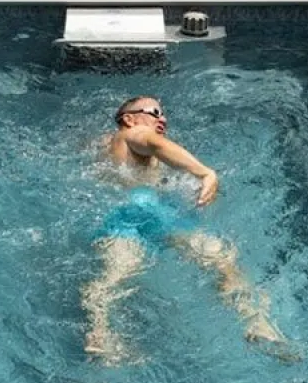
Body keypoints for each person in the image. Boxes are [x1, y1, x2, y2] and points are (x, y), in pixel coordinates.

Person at [81, 96, 292, 364]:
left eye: (163, 113)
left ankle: (99, 332)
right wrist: (205, 173)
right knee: (220, 260)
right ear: (129, 119)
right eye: (154, 112)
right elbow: (155, 143)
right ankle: (257, 323)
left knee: (117, 275)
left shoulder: (109, 145)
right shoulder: (134, 133)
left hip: (131, 218)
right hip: (153, 215)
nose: (163, 119)